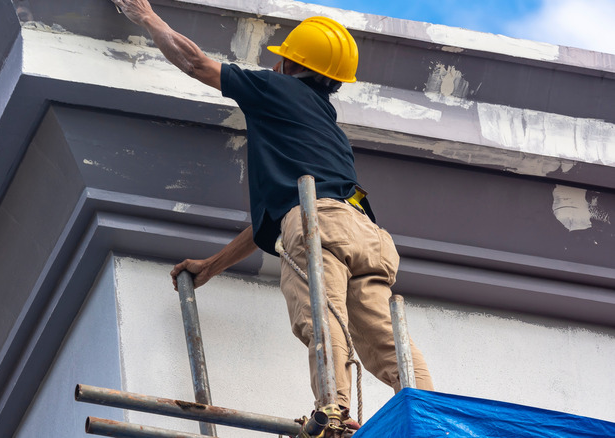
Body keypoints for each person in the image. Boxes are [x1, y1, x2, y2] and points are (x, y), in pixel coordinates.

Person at [111, 0, 434, 435]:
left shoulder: (275, 90)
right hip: (368, 234)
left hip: (320, 223)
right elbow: (284, 217)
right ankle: (429, 414)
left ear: (288, 63)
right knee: (384, 340)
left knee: (322, 315)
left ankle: (334, 412)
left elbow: (196, 63)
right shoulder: (327, 124)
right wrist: (212, 266)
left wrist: (147, 17)